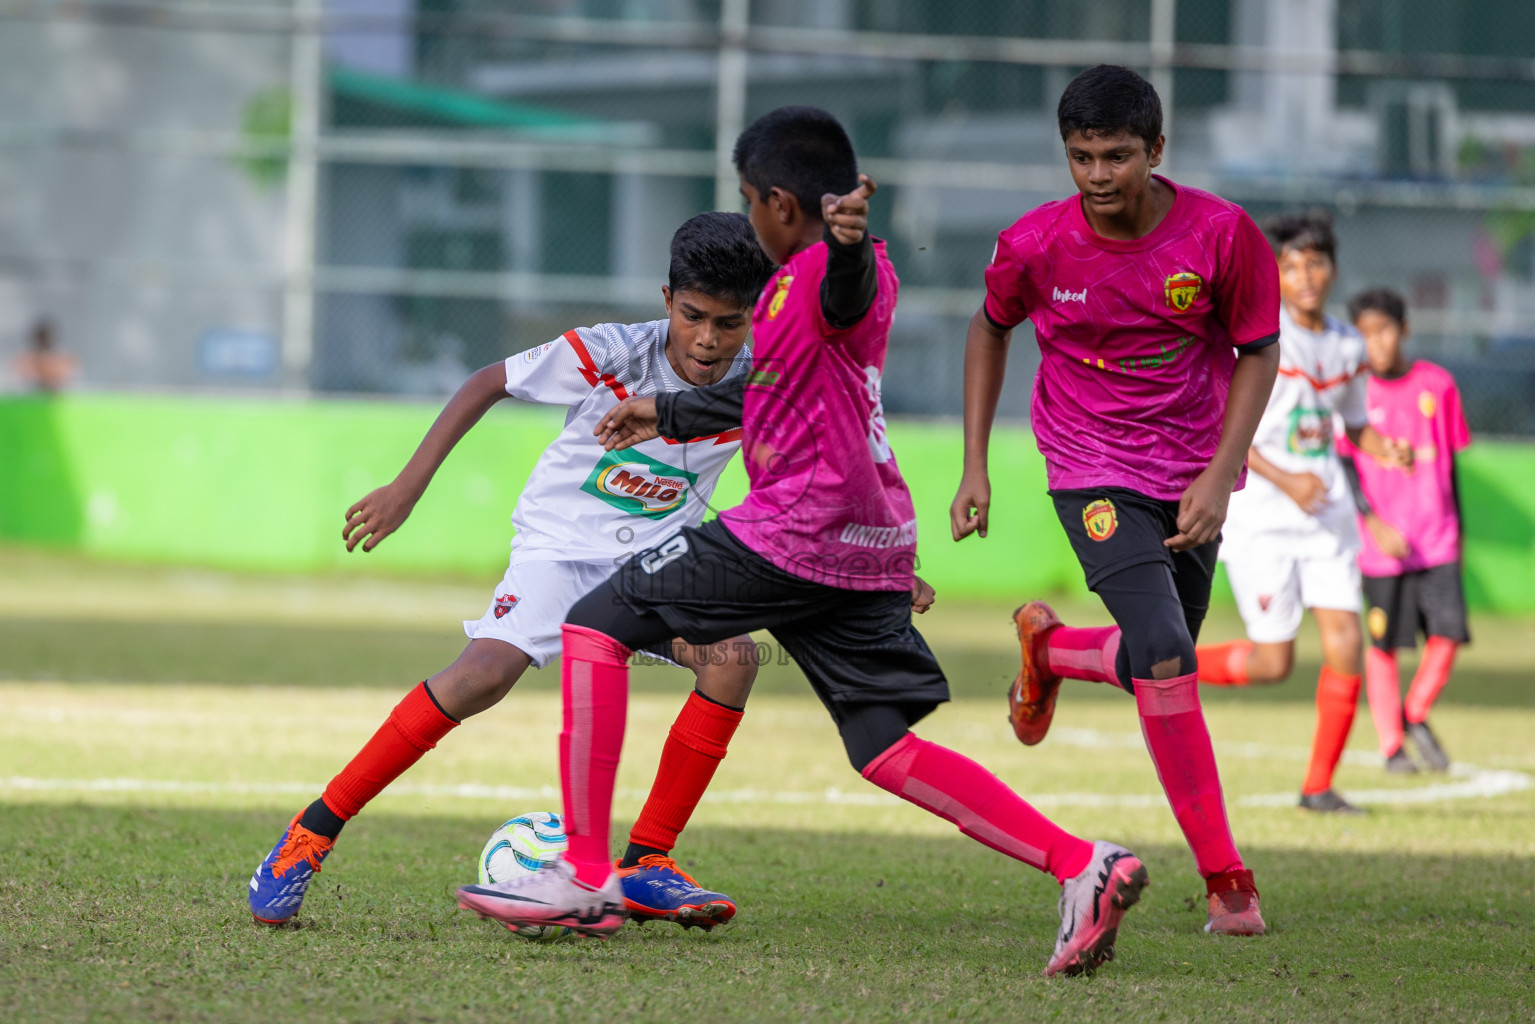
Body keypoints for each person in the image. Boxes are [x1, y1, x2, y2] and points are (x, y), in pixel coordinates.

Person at [456, 105, 1150, 979]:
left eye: (750, 200)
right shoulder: (865, 272)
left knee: (598, 621)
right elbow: (779, 392)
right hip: (870, 535)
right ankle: (1081, 864)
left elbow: (839, 291)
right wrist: (663, 409)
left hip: (800, 526)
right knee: (881, 747)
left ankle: (590, 875)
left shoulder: (820, 271)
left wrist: (846, 248)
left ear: (780, 203)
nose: (748, 217)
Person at [246, 212, 777, 929]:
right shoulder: (612, 353)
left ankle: (649, 861)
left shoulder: (762, 382)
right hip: (560, 545)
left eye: (729, 322)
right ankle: (309, 835)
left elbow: (823, 465)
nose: (708, 339)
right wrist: (408, 485)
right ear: (665, 300)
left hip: (654, 560)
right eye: (693, 316)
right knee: (480, 677)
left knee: (732, 657)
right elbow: (486, 382)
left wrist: (884, 566)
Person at [949, 65, 1280, 936]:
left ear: (1156, 149)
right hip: (1087, 462)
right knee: (1168, 653)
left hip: (1191, 469)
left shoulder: (1221, 234)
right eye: (1081, 157)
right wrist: (973, 463)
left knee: (1150, 665)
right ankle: (1226, 881)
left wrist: (1219, 470)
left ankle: (1052, 651)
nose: (1097, 176)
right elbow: (990, 325)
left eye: (1117, 156)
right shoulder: (1032, 244)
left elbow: (1257, 349)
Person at [1193, 214, 1412, 814]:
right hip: (1264, 516)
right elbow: (1229, 431)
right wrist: (1287, 478)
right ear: (1275, 275)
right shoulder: (1263, 337)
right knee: (1272, 662)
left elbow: (1355, 425)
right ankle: (1158, 667)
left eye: (1315, 262)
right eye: (1290, 265)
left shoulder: (1347, 343)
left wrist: (1381, 449)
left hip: (1326, 518)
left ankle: (1318, 786)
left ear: (1333, 268)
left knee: (1346, 644)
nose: (1305, 275)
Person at [1340, 287, 1470, 773]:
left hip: (1436, 537)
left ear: (1405, 330)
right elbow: (1345, 466)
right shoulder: (1354, 392)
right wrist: (1372, 523)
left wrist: (1460, 529)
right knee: (1384, 646)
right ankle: (1392, 745)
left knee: (1450, 635)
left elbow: (1450, 464)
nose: (1376, 343)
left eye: (1384, 330)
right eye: (1364, 334)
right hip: (1382, 547)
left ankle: (1413, 713)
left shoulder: (1438, 385)